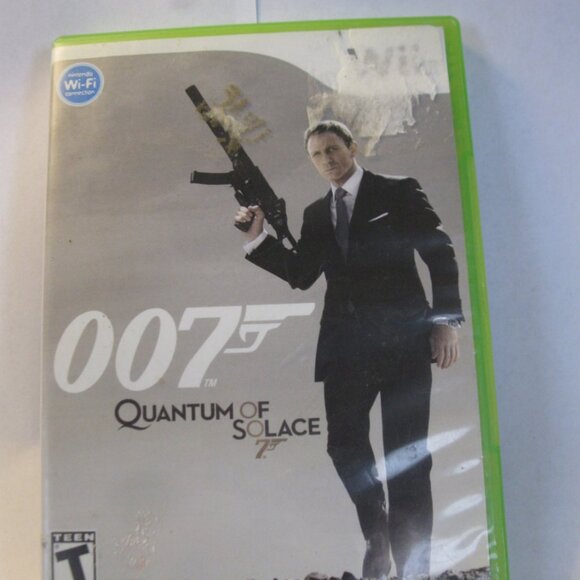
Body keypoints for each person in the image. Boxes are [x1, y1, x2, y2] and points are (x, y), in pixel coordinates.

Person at [235, 121, 463, 579]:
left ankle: (414, 569)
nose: (327, 160)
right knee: (343, 445)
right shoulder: (317, 213)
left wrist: (444, 322)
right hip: (345, 350)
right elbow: (302, 274)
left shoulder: (397, 191)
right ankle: (377, 533)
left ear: (352, 148)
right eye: (317, 154)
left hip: (403, 344)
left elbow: (439, 251)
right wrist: (257, 238)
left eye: (333, 149)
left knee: (407, 459)